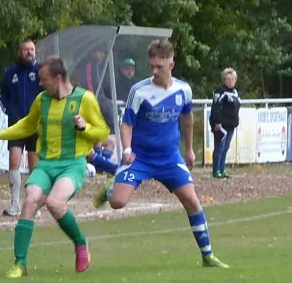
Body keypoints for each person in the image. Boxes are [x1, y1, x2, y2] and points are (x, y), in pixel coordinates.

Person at [93, 39, 229, 269]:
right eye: (152, 66)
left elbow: (187, 118)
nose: (154, 71)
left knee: (193, 202)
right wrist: (126, 150)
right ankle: (111, 189)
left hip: (169, 158)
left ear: (171, 65)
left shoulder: (183, 89)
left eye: (160, 66)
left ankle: (208, 255)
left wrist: (188, 150)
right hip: (141, 157)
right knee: (117, 202)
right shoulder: (139, 90)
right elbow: (126, 123)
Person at [0, 56, 110, 278]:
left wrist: (84, 127)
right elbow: (26, 126)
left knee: (54, 203)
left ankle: (80, 242)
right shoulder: (42, 100)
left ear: (58, 78)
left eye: (43, 79)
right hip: (46, 163)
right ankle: (20, 264)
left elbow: (103, 132)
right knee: (29, 200)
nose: (40, 84)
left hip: (73, 164)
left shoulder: (85, 99)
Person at [0, 39, 43, 216]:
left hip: (35, 124)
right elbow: (3, 96)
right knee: (14, 159)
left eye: (32, 49)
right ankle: (15, 203)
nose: (29, 52)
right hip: (16, 124)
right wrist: (11, 112)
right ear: (19, 52)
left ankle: (33, 203)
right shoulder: (10, 72)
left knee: (34, 164)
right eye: (26, 50)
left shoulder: (41, 71)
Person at [210, 68, 240, 178]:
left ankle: (222, 169)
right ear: (223, 80)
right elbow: (216, 107)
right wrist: (217, 122)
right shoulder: (220, 91)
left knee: (226, 148)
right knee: (219, 147)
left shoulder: (235, 92)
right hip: (221, 125)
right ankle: (216, 170)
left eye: (233, 79)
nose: (231, 81)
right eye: (228, 79)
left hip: (231, 125)